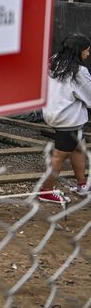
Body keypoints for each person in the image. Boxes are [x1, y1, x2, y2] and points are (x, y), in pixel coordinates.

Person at [40, 33, 91, 204]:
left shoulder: (54, 60)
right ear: (79, 51)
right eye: (87, 50)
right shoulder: (79, 72)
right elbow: (89, 96)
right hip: (68, 119)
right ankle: (45, 190)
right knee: (59, 155)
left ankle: (82, 184)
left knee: (78, 149)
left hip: (53, 112)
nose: (88, 54)